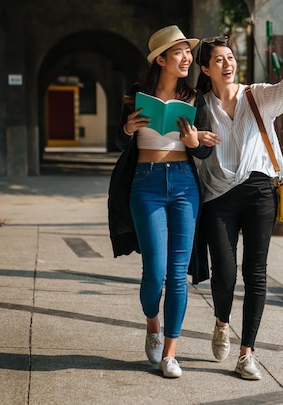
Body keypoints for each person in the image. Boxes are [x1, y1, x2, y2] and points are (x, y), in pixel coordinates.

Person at [194, 36, 283, 380]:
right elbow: (192, 147)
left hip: (259, 190)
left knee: (256, 272)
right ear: (206, 69)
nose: (228, 64)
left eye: (231, 58)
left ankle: (247, 352)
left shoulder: (256, 94)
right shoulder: (200, 105)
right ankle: (222, 322)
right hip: (217, 196)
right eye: (219, 60)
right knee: (224, 272)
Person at [111, 25, 218, 378]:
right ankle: (152, 324)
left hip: (184, 186)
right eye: (179, 53)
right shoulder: (135, 95)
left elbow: (202, 148)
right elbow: (119, 141)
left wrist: (193, 141)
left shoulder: (195, 98)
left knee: (177, 275)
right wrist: (127, 129)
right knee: (154, 272)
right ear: (161, 59)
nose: (187, 58)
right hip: (146, 184)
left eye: (188, 52)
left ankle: (171, 352)